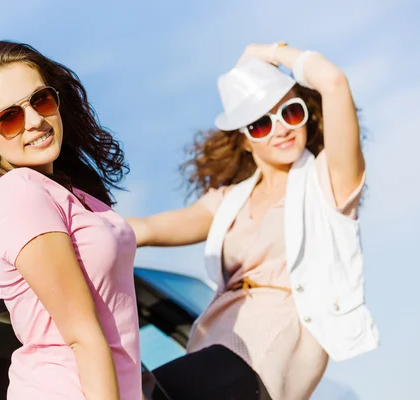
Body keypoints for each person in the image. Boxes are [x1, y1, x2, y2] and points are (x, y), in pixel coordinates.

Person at [127, 43, 380, 400]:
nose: (280, 129)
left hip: (273, 346)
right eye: (261, 123)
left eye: (290, 113)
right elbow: (147, 229)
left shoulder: (327, 183)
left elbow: (334, 82)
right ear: (245, 141)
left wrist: (272, 52)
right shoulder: (230, 201)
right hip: (215, 336)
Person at [0, 40, 142, 400]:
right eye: (9, 118)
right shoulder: (19, 193)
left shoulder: (64, 196)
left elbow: (149, 230)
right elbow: (82, 335)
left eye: (41, 100)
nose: (35, 121)